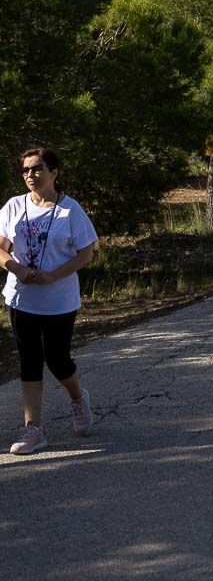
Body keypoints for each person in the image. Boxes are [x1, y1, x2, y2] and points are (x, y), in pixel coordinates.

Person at [1, 148, 99, 455]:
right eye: (25, 170)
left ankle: (77, 399)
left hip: (58, 301)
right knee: (29, 361)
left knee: (58, 360)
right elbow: (1, 248)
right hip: (21, 298)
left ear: (54, 172)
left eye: (37, 168)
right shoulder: (13, 206)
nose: (30, 175)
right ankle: (34, 430)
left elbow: (86, 253)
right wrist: (16, 268)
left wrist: (54, 275)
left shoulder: (71, 210)